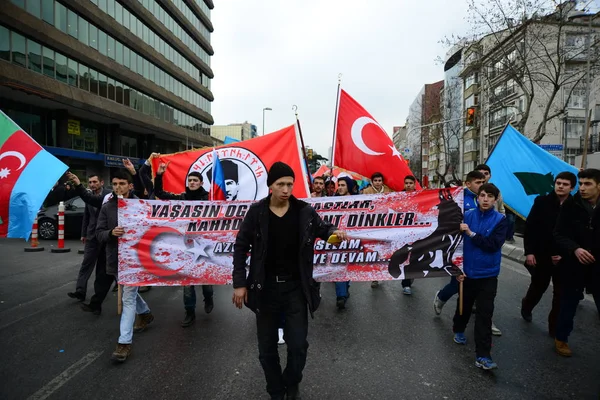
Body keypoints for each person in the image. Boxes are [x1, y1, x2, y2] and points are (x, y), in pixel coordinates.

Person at [232, 161, 346, 400]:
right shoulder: (257, 213)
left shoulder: (304, 211)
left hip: (296, 288)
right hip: (265, 290)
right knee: (267, 349)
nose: (286, 189)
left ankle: (291, 381)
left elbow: (326, 231)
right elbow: (241, 247)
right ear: (270, 186)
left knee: (297, 346)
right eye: (281, 184)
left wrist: (336, 235)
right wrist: (240, 284)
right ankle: (275, 390)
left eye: (290, 184)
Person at [93, 169, 154, 362]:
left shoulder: (141, 205)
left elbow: (153, 226)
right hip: (116, 259)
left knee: (127, 298)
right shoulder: (107, 207)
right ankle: (145, 314)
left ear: (130, 185)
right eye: (115, 184)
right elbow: (99, 233)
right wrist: (111, 233)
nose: (118, 187)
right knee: (129, 292)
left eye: (122, 183)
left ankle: (124, 343)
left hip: (137, 259)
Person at [453, 183, 507, 370]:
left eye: (489, 196)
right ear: (477, 197)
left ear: (495, 199)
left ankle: (483, 355)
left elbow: (493, 244)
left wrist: (471, 233)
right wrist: (457, 269)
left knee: (485, 314)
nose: (485, 199)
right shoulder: (466, 216)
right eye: (482, 195)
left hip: (488, 274)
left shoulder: (500, 220)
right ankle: (458, 329)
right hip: (467, 273)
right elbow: (456, 245)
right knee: (464, 306)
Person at [154, 161, 214, 327]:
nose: (192, 183)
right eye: (190, 180)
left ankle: (208, 298)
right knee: (187, 283)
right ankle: (190, 312)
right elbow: (159, 193)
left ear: (201, 183)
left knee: (205, 280)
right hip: (185, 245)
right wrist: (159, 175)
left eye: (195, 180)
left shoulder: (210, 199)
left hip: (204, 245)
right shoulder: (182, 198)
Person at [521, 171, 576, 337]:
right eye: (558, 183)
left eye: (565, 184)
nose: (560, 186)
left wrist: (566, 254)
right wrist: (529, 252)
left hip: (564, 258)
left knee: (560, 295)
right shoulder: (542, 201)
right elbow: (530, 228)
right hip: (541, 255)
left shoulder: (576, 206)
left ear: (572, 188)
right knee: (538, 287)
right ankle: (527, 306)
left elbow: (577, 233)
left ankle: (555, 328)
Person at [553, 168, 600, 357]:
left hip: (597, 266)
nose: (582, 188)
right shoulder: (571, 205)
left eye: (587, 184)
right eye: (580, 183)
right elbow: (558, 233)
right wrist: (575, 249)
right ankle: (561, 338)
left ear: (598, 185)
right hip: (574, 264)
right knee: (568, 304)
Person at [433, 170, 486, 312]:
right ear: (468, 184)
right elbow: (446, 220)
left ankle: (478, 311)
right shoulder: (459, 198)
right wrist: (458, 226)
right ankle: (442, 297)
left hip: (480, 245)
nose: (481, 185)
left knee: (479, 282)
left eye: (483, 182)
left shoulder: (486, 198)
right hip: (461, 247)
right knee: (457, 281)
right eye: (478, 182)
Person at [67, 174, 111, 302]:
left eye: (95, 182)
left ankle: (98, 296)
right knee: (86, 264)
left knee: (102, 268)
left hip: (104, 235)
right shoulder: (89, 197)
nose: (92, 184)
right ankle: (80, 291)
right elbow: (87, 216)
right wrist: (83, 233)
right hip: (92, 235)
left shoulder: (108, 195)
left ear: (101, 182)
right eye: (90, 182)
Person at [334, 176, 356, 309]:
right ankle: (341, 296)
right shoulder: (332, 200)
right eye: (339, 185)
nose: (340, 187)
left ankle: (345, 288)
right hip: (337, 239)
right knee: (339, 266)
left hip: (353, 239)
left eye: (343, 185)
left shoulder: (358, 201)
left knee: (349, 266)